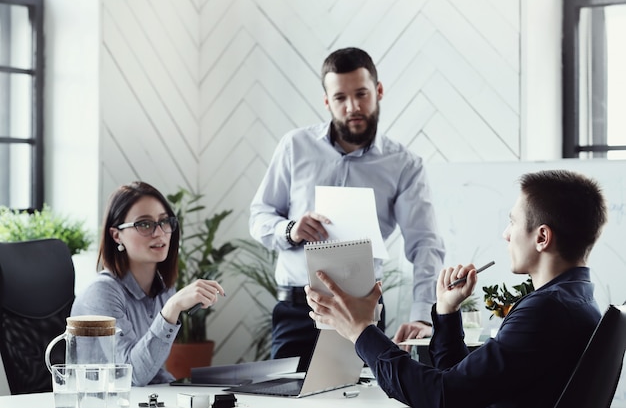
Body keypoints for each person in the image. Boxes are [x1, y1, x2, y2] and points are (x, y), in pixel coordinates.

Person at [305, 169, 608, 408]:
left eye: (512, 222)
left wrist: (361, 330)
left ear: (542, 237)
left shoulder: (546, 311)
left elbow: (441, 396)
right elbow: (464, 388)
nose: (506, 235)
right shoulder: (576, 299)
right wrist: (448, 311)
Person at [249, 46, 445, 371]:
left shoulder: (405, 165)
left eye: (361, 94)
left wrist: (422, 315)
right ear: (327, 102)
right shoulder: (294, 147)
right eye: (340, 98)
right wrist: (290, 229)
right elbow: (259, 217)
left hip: (362, 313)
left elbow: (425, 245)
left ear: (378, 91)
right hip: (297, 309)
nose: (352, 107)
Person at [71, 181, 225, 386]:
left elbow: (153, 373)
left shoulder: (163, 288)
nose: (159, 233)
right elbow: (132, 375)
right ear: (117, 235)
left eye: (164, 222)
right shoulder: (100, 294)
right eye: (144, 224)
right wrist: (171, 309)